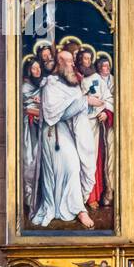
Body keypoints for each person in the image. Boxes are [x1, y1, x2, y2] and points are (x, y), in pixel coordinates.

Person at [31, 50, 102, 227]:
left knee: (74, 167)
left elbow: (77, 111)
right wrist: (86, 101)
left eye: (72, 61)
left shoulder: (72, 84)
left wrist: (90, 105)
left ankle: (71, 207)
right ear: (60, 64)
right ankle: (79, 210)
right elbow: (60, 114)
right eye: (68, 62)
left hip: (68, 131)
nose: (72, 65)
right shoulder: (50, 85)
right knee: (70, 167)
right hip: (53, 132)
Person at [82, 54, 115, 209]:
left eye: (88, 59)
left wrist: (105, 111)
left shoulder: (98, 79)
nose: (85, 62)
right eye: (83, 59)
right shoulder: (75, 78)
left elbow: (109, 98)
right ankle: (83, 198)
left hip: (95, 124)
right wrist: (85, 100)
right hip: (80, 124)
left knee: (95, 160)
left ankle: (94, 196)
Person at [21, 56, 44, 215]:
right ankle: (29, 202)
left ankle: (38, 202)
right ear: (29, 70)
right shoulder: (24, 88)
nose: (37, 71)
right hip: (29, 129)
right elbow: (26, 108)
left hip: (41, 127)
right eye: (34, 68)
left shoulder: (43, 85)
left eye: (39, 68)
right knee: (30, 160)